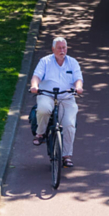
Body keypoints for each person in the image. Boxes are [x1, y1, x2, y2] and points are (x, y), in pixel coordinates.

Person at [30, 37, 84, 168]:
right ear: (53, 49)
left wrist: (79, 87)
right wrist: (34, 86)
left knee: (69, 125)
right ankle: (40, 133)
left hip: (66, 97)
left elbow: (78, 78)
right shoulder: (45, 61)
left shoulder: (73, 62)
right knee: (43, 109)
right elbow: (36, 76)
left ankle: (66, 155)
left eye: (64, 47)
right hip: (47, 94)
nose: (62, 50)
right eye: (59, 48)